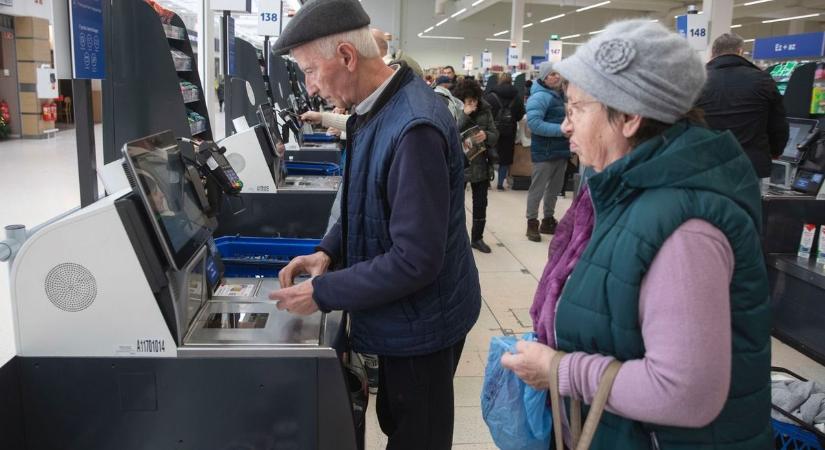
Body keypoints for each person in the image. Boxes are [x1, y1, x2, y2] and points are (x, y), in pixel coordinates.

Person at [500, 19, 772, 449]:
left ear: (628, 117)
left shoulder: (686, 229)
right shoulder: (626, 193)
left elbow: (686, 393)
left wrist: (559, 370)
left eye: (576, 109)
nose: (566, 126)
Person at [268, 2, 481, 449]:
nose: (310, 86)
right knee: (396, 418)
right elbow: (365, 197)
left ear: (346, 56)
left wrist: (322, 293)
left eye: (310, 71)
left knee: (416, 434)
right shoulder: (376, 108)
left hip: (424, 323)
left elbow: (415, 261)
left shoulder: (413, 127)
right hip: (405, 315)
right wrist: (328, 249)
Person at [696, 32, 789, 179]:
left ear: (713, 53)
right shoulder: (762, 79)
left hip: (706, 164)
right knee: (748, 202)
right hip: (749, 165)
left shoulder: (698, 80)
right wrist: (776, 150)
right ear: (740, 52)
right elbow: (778, 123)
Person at [524, 61, 569, 241]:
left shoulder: (558, 95)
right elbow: (534, 124)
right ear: (543, 77)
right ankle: (532, 222)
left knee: (554, 189)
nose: (556, 76)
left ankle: (548, 220)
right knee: (538, 188)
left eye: (558, 73)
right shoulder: (540, 97)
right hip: (544, 151)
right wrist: (561, 130)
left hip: (560, 151)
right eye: (552, 74)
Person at [453, 78, 499, 253]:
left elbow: (495, 134)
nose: (472, 103)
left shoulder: (486, 110)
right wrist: (464, 114)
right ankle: (456, 238)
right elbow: (450, 132)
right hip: (460, 163)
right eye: (468, 100)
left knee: (481, 203)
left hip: (481, 162)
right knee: (456, 203)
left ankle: (477, 238)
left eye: (475, 99)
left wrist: (486, 135)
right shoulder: (454, 109)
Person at [484, 72, 525, 191]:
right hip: (509, 131)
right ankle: (500, 184)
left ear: (498, 81)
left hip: (492, 130)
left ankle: (487, 182)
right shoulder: (517, 97)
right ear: (511, 81)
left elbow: (485, 113)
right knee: (505, 158)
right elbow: (520, 115)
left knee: (488, 155)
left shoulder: (490, 96)